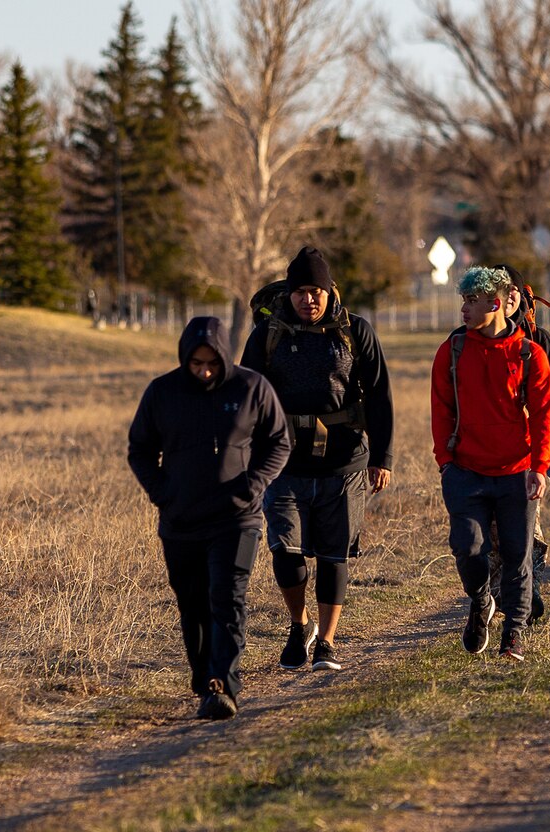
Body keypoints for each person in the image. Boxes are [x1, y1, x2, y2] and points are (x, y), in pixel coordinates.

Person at [128, 317, 292, 720]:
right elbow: (140, 450)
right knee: (193, 605)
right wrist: (163, 494)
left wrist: (252, 486)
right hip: (181, 521)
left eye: (212, 364)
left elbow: (278, 441)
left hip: (236, 519)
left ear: (224, 358)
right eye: (196, 363)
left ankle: (224, 683)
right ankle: (204, 681)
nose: (204, 371)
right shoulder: (162, 393)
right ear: (184, 358)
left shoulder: (252, 388)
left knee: (227, 598)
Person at [241, 247, 394, 673]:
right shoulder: (267, 335)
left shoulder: (354, 331)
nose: (309, 299)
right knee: (285, 550)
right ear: (288, 294)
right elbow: (247, 397)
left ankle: (326, 641)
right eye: (301, 292)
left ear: (331, 291)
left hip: (344, 463)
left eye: (317, 291)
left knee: (333, 555)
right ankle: (299, 624)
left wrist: (382, 457)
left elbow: (379, 396)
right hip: (284, 462)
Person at [434, 266, 550, 663]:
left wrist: (540, 467)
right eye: (464, 300)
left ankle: (514, 633)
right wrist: (446, 463)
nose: (464, 309)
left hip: (516, 472)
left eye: (472, 301)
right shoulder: (452, 351)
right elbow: (441, 409)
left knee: (518, 556)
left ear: (496, 303)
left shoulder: (529, 354)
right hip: (466, 471)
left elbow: (542, 414)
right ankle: (480, 599)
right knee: (468, 549)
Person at [469, 266, 550, 625]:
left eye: (510, 294)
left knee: (526, 530)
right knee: (488, 533)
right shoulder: (470, 339)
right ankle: (498, 599)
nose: (504, 300)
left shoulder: (539, 341)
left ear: (520, 298)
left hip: (529, 454)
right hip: (481, 455)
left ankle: (526, 592)